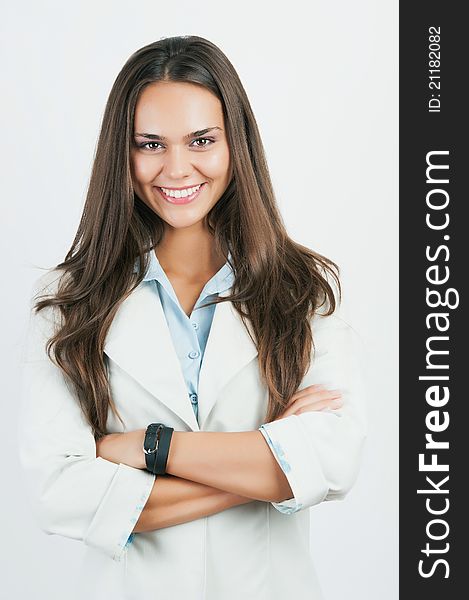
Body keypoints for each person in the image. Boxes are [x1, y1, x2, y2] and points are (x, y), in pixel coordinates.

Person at [18, 35, 367, 600]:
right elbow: (59, 492)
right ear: (122, 154)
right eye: (150, 144)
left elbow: (334, 460)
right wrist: (271, 462)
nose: (176, 169)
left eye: (201, 140)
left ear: (237, 145)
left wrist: (148, 449)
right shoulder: (68, 302)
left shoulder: (305, 291)